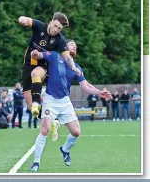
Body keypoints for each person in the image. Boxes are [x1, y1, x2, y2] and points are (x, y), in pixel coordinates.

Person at [28, 41, 112, 172]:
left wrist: (99, 92)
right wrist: (35, 53)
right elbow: (39, 55)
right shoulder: (55, 56)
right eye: (71, 44)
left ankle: (65, 149)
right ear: (64, 47)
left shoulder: (76, 67)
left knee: (76, 132)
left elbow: (85, 85)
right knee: (44, 130)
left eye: (75, 46)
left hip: (65, 102)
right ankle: (36, 163)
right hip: (50, 99)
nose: (74, 46)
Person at [19, 13, 79, 118]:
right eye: (55, 26)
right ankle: (52, 120)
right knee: (30, 107)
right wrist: (22, 19)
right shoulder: (39, 26)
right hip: (28, 66)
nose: (56, 30)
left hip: (43, 67)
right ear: (51, 22)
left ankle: (37, 102)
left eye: (59, 28)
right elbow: (26, 20)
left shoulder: (60, 40)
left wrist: (73, 67)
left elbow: (67, 57)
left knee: (36, 73)